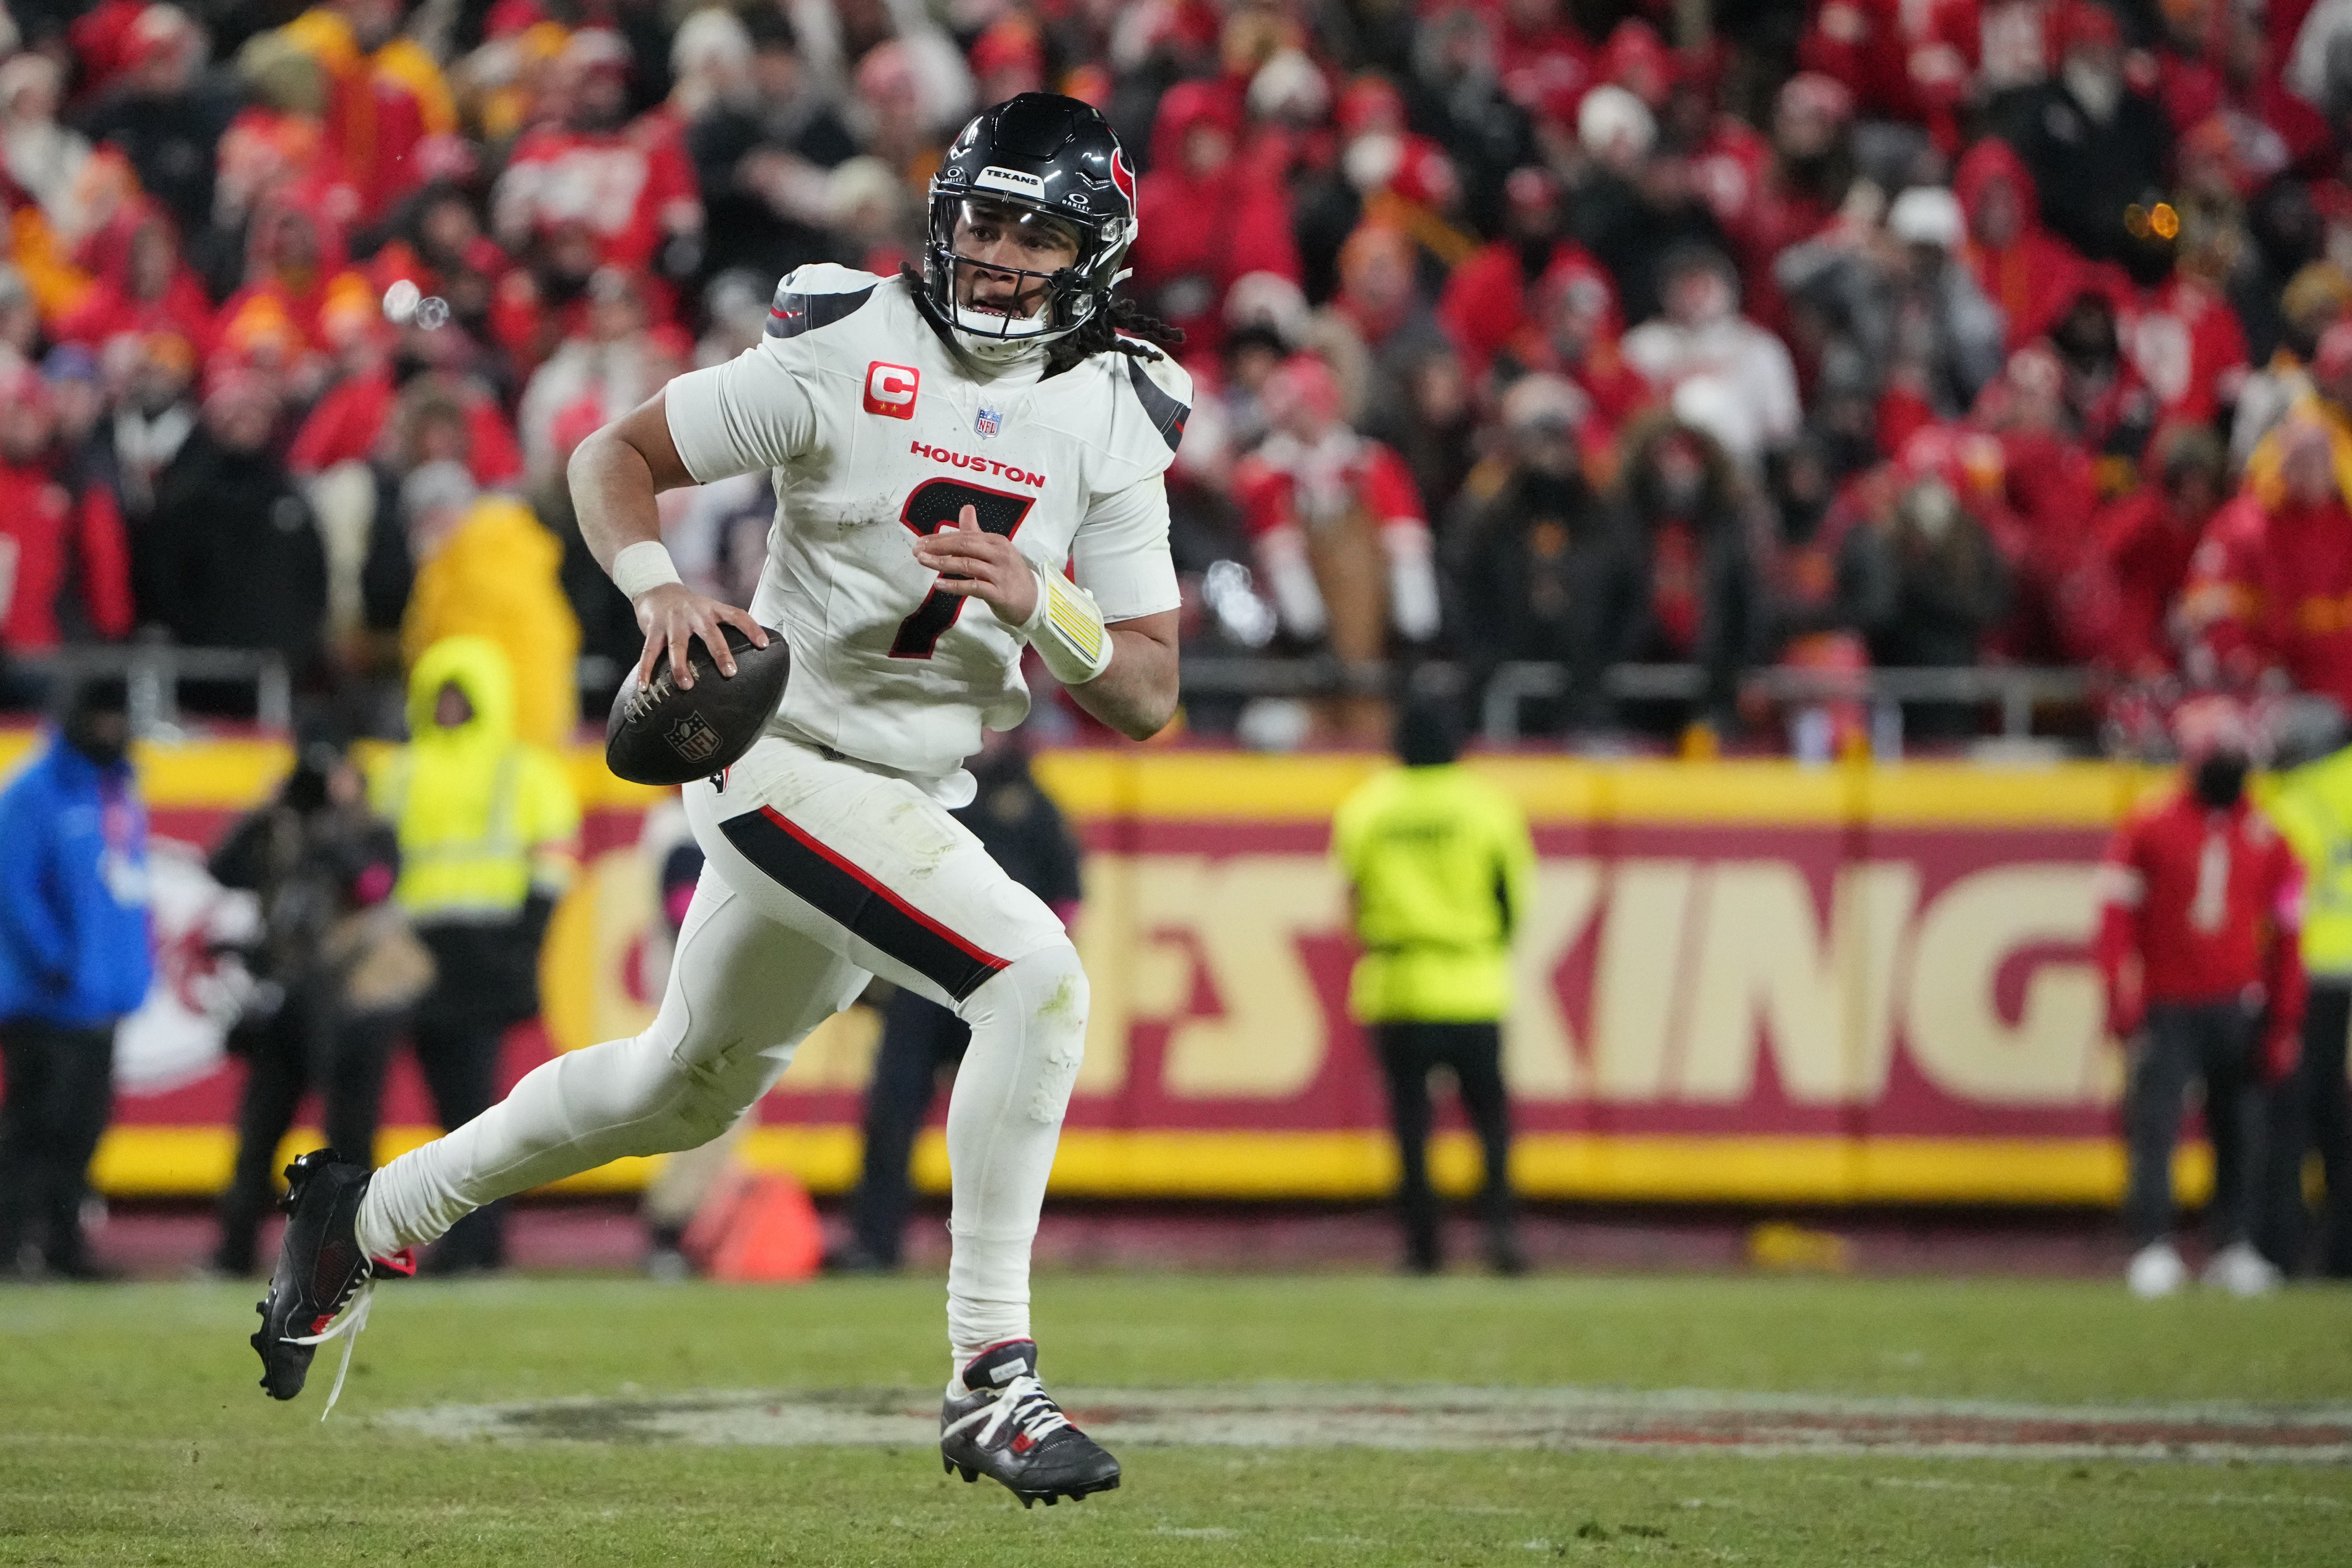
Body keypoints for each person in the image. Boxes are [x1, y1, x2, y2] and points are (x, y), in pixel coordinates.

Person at [251, 95, 1184, 1510]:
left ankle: (361, 1216)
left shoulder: (1118, 409)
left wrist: (1046, 603)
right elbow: (609, 457)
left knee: (676, 1088)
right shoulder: (845, 343)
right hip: (778, 753)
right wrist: (658, 589)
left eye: (1034, 230)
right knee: (1034, 982)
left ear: (1094, 251)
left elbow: (1148, 689)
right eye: (982, 220)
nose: (996, 254)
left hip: (914, 784)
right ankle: (992, 1374)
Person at [828, 732, 1084, 1274]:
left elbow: (1068, 893)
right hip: (923, 980)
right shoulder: (925, 790)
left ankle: (992, 1254)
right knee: (892, 1113)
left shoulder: (1034, 803)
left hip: (999, 983)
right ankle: (876, 1243)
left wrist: (1044, 980)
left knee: (999, 1127)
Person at [368, 635, 580, 1273]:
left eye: (463, 696)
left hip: (483, 957)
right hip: (413, 956)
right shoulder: (401, 771)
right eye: (443, 695)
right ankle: (462, 1240)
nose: (452, 708)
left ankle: (476, 1242)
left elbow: (551, 864)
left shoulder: (521, 770)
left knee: (475, 1115)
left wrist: (523, 945)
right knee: (448, 1114)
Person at [2095, 698, 2304, 1299]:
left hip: (2237, 1003)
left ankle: (2233, 1244)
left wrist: (2284, 1017)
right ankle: (2153, 1244)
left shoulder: (2267, 833)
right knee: (2154, 1129)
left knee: (2239, 1129)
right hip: (2168, 1000)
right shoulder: (2151, 823)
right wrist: (2120, 992)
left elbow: (2288, 933)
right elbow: (2115, 918)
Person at [1332, 698, 1535, 1276]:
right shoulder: (1487, 806)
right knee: (1490, 1121)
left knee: (1412, 1125)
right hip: (1473, 982)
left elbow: (1353, 900)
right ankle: (1502, 1233)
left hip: (1397, 983)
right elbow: (1515, 897)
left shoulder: (1369, 806)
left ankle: (1424, 1247)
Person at [208, 741, 420, 1276]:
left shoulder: (372, 830)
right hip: (290, 1001)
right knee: (260, 1132)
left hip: (353, 1002)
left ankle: (352, 1253)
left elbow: (377, 885)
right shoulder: (280, 830)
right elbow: (222, 868)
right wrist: (264, 811)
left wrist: (333, 839)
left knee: (350, 1137)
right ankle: (234, 1252)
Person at [0, 676, 152, 1279]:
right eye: (102, 719)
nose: (112, 732)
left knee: (84, 1131)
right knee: (35, 1128)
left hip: (101, 996)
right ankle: (10, 1242)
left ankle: (64, 1244)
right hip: (46, 999)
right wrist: (53, 959)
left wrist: (127, 973)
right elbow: (13, 888)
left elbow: (125, 890)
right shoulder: (34, 793)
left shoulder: (120, 792)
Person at [2254, 726, 2352, 1277]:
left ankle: (2281, 1248)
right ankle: (2344, 1255)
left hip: (2310, 971)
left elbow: (2279, 901)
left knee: (2290, 1112)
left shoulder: (2292, 800)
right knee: (2340, 1119)